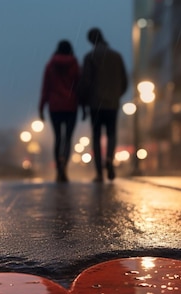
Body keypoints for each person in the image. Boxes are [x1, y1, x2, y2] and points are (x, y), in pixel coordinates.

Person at [79, 27, 128, 182]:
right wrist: (115, 95)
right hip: (112, 103)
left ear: (91, 41)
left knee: (96, 136)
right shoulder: (117, 56)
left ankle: (99, 172)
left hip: (95, 103)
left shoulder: (90, 57)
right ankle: (109, 160)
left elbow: (85, 82)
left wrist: (84, 102)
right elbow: (124, 80)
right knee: (112, 134)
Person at [39, 40, 81, 182]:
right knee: (68, 138)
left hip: (55, 106)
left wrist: (41, 107)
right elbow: (79, 86)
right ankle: (64, 166)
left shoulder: (50, 65)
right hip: (71, 106)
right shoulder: (75, 64)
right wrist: (83, 105)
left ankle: (58, 168)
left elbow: (46, 87)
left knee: (57, 137)